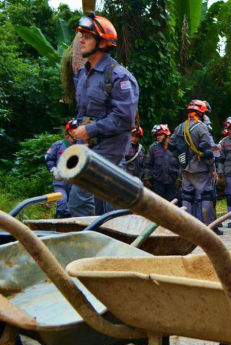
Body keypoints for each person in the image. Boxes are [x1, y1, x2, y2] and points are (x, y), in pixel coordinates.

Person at [68, 13, 139, 217]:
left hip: (110, 147)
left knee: (79, 199)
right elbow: (84, 111)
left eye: (87, 36)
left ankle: (88, 246)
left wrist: (89, 129)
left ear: (102, 42)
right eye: (81, 35)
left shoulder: (119, 76)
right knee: (105, 206)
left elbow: (124, 118)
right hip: (89, 146)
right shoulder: (81, 74)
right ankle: (110, 241)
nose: (81, 40)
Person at [169, 100, 220, 233]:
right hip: (200, 169)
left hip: (185, 169)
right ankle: (208, 227)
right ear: (201, 113)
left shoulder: (180, 127)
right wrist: (213, 170)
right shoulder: (201, 127)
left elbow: (171, 146)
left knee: (187, 196)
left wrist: (181, 160)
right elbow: (208, 153)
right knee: (206, 195)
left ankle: (188, 227)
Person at [45, 119, 78, 218]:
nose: (75, 131)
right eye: (73, 129)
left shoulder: (82, 147)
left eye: (77, 129)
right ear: (68, 131)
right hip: (60, 181)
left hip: (75, 183)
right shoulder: (58, 145)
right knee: (62, 203)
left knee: (74, 207)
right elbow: (48, 158)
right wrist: (53, 169)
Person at [143, 124, 179, 201]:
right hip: (158, 184)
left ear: (166, 134)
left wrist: (179, 179)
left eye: (160, 134)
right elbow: (147, 165)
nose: (157, 137)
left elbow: (181, 165)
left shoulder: (176, 147)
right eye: (156, 135)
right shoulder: (153, 148)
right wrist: (146, 178)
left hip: (173, 184)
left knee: (174, 206)